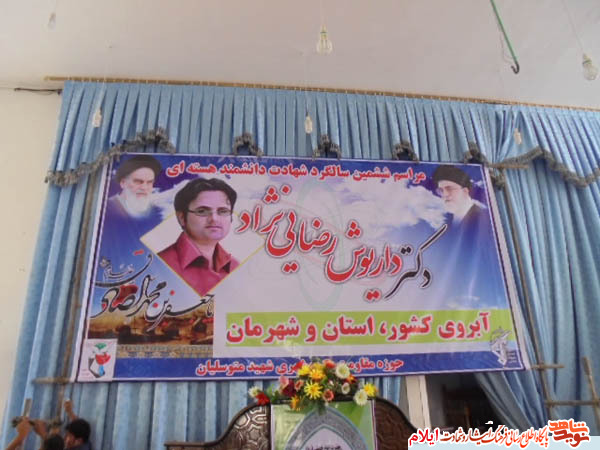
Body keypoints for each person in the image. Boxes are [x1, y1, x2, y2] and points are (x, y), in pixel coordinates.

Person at [159, 178, 239, 295]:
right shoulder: (160, 265)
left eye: (223, 211)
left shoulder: (235, 267)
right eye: (202, 211)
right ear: (182, 218)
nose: (214, 219)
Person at [432, 165, 487, 235]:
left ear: (465, 191)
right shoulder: (448, 221)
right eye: (441, 190)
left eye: (449, 188)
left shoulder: (481, 218)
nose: (445, 194)